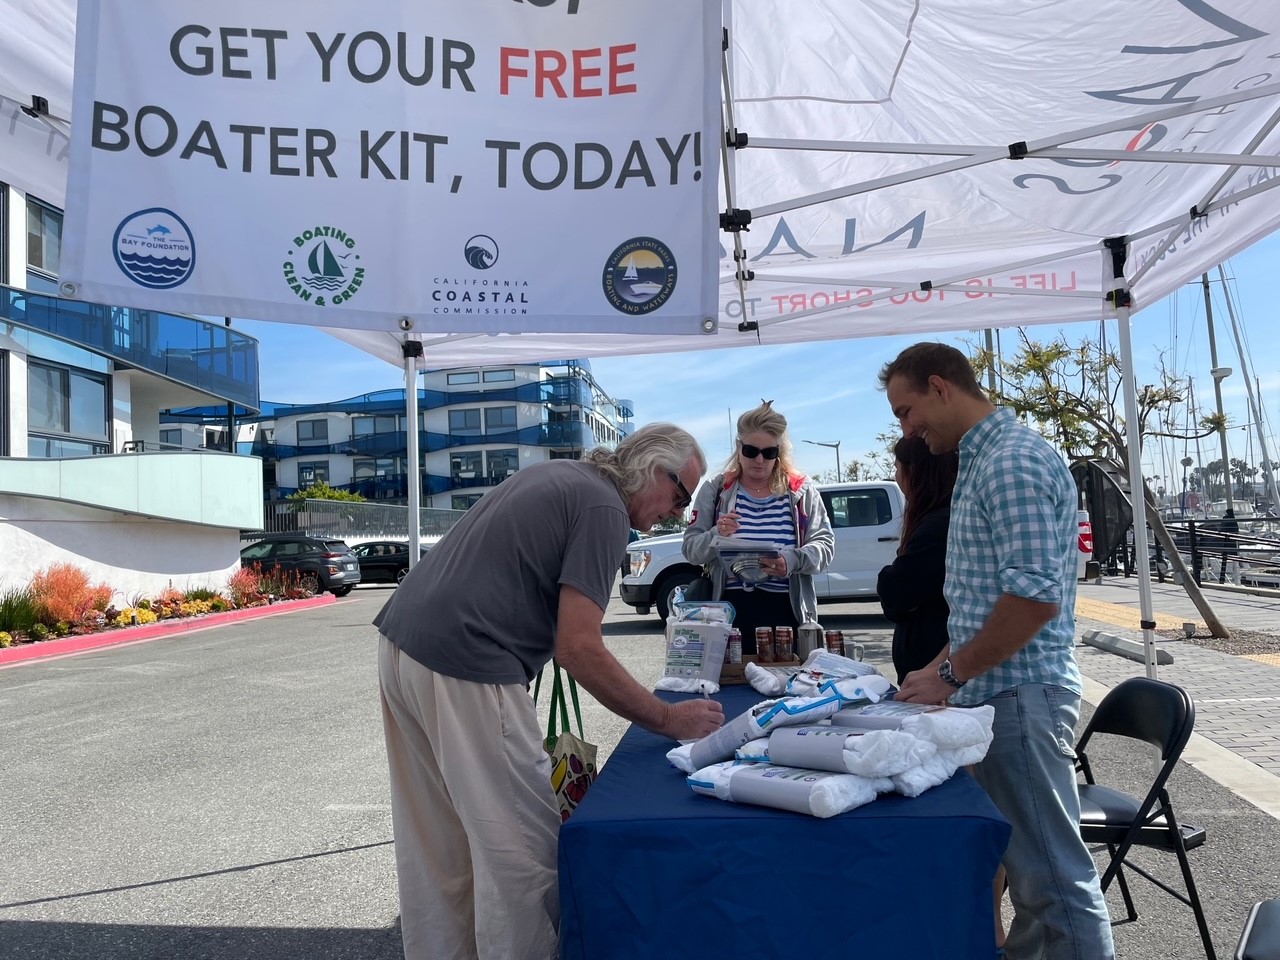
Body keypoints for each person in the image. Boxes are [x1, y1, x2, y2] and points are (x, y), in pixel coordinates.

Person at [374, 423, 725, 960]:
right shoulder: (605, 507)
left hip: (402, 644)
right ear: (653, 469)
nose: (678, 512)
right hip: (467, 659)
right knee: (521, 850)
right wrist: (667, 719)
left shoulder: (565, 475)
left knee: (439, 848)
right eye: (680, 495)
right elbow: (579, 647)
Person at [878, 342, 1113, 960]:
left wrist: (950, 674)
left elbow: (1034, 600)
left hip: (1020, 696)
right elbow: (989, 601)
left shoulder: (1009, 463)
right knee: (1036, 880)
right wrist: (936, 669)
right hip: (1003, 695)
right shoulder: (985, 462)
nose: (906, 428)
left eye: (906, 411)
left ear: (940, 386)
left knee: (1053, 884)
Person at [682, 401, 834, 654]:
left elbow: (825, 546)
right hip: (728, 613)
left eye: (769, 453)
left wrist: (792, 560)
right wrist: (716, 535)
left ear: (779, 453)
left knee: (790, 686)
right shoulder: (717, 489)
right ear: (739, 447)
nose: (759, 460)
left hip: (788, 611)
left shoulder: (800, 490)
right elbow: (690, 549)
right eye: (751, 451)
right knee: (731, 688)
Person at [876, 435, 958, 684]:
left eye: (897, 468)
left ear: (913, 471)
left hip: (933, 677)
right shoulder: (942, 517)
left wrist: (887, 576)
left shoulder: (937, 526)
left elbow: (897, 593)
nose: (896, 476)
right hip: (932, 670)